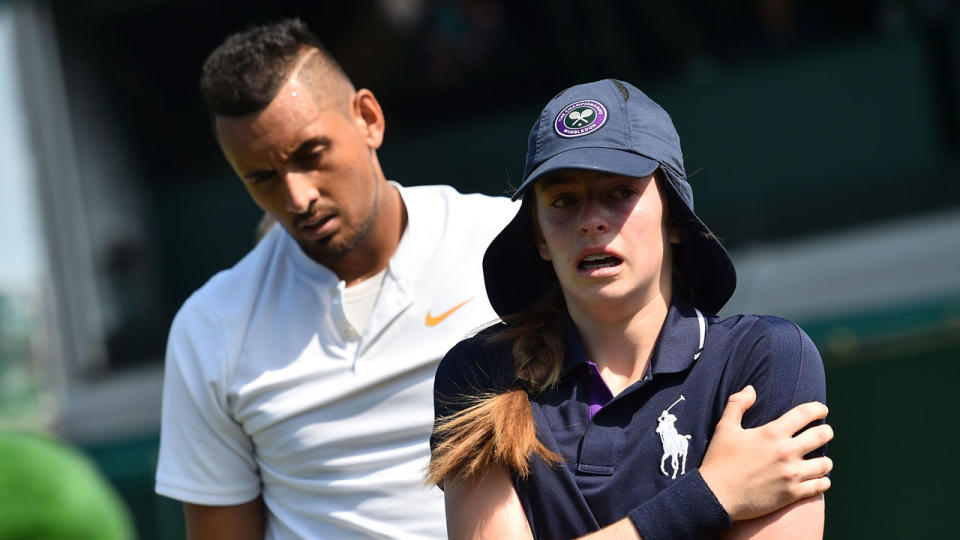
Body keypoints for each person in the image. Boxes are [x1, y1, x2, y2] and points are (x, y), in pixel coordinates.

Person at [154, 19, 518, 539]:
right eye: (261, 178)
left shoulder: (507, 242)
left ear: (368, 118)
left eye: (310, 155)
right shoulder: (210, 326)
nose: (298, 197)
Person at [429, 79, 833, 539]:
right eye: (563, 200)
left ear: (675, 217)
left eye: (620, 192)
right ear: (539, 236)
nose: (591, 220)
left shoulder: (764, 359)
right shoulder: (480, 375)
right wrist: (713, 494)